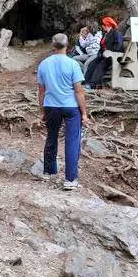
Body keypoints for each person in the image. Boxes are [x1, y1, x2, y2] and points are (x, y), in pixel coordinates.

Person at [37, 33, 90, 190]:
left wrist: (42, 111)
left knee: (51, 137)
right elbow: (79, 91)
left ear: (53, 46)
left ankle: (49, 171)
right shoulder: (73, 64)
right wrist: (84, 113)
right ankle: (70, 179)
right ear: (67, 46)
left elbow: (41, 91)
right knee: (72, 141)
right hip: (71, 107)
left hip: (51, 105)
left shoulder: (43, 64)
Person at [84, 16, 124, 88]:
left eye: (103, 25)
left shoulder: (116, 33)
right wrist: (100, 53)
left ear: (107, 25)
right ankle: (86, 82)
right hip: (104, 55)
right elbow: (102, 47)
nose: (102, 26)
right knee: (92, 63)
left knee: (101, 65)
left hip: (113, 56)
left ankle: (93, 84)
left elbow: (118, 46)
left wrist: (109, 52)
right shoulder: (105, 34)